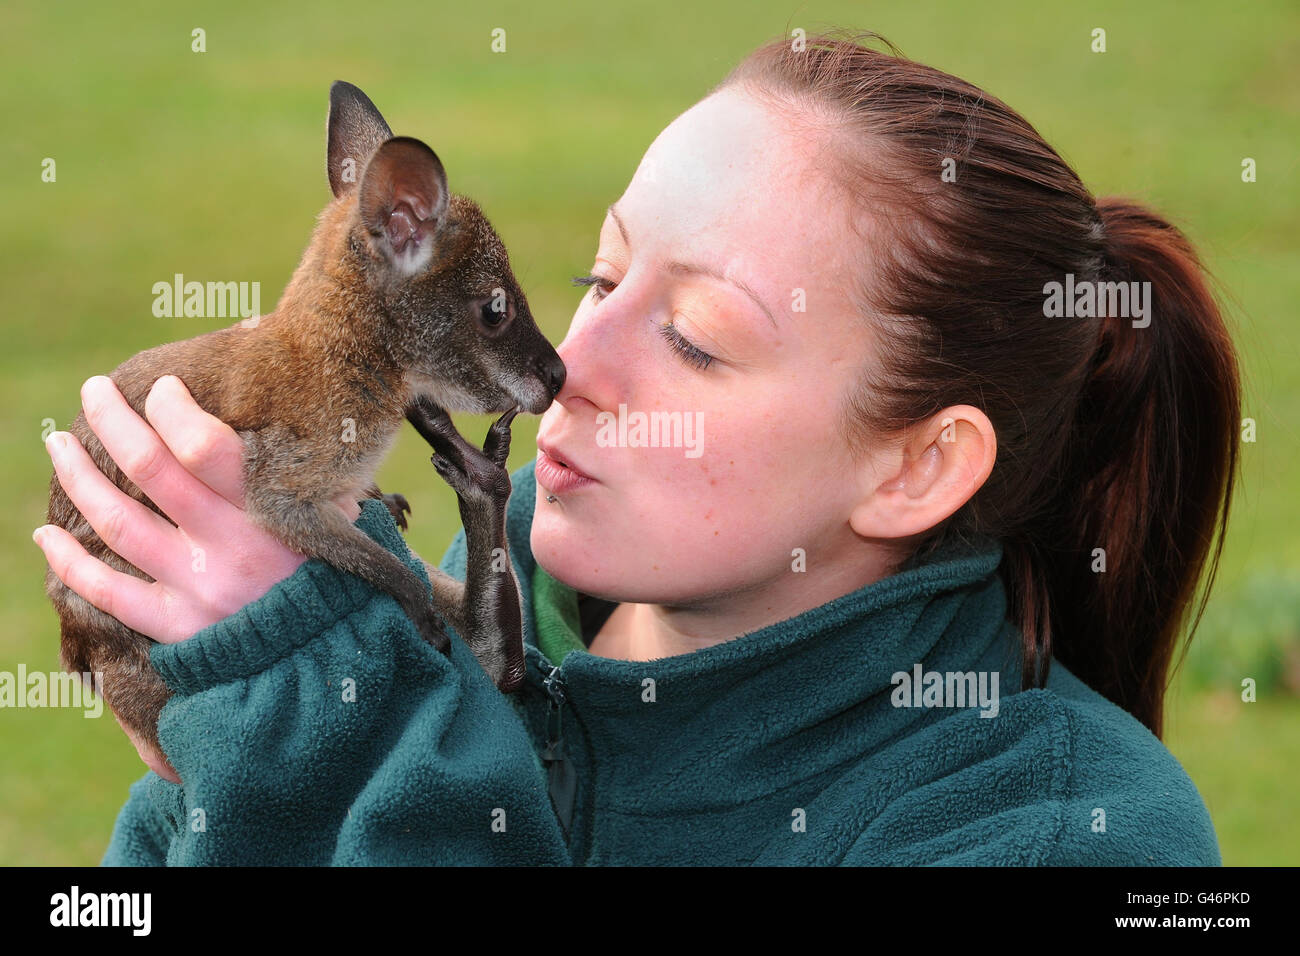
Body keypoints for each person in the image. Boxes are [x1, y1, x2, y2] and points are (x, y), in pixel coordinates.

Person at [34, 30, 1239, 865]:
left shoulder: (1056, 828)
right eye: (598, 274)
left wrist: (339, 723)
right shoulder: (356, 636)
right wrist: (289, 694)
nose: (578, 366)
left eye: (699, 340)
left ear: (915, 465)